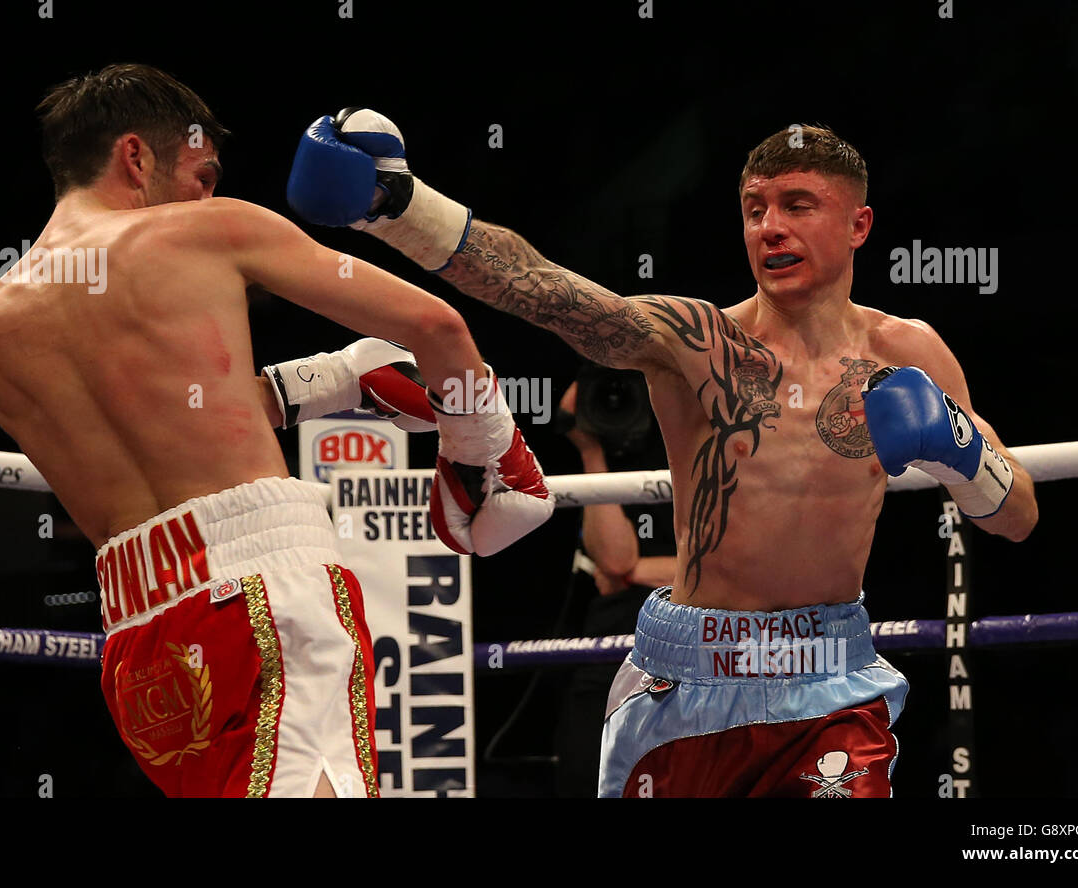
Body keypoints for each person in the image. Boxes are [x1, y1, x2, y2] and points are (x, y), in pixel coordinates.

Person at [285, 111, 1039, 797]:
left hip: (832, 681)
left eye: (797, 205)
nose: (769, 227)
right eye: (754, 209)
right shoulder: (700, 342)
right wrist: (401, 207)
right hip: (691, 679)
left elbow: (1017, 517)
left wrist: (961, 449)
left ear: (859, 225)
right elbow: (548, 293)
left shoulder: (906, 354)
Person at [0, 65, 552, 798]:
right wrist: (485, 445)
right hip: (261, 591)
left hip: (140, 640)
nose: (207, 193)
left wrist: (315, 383)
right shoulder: (208, 231)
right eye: (201, 171)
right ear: (135, 156)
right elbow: (436, 325)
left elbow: (160, 418)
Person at [553, 380, 676, 797]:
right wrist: (590, 449)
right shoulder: (604, 456)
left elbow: (733, 565)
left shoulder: (712, 449)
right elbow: (614, 559)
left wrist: (636, 569)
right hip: (613, 641)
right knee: (587, 774)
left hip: (694, 640)